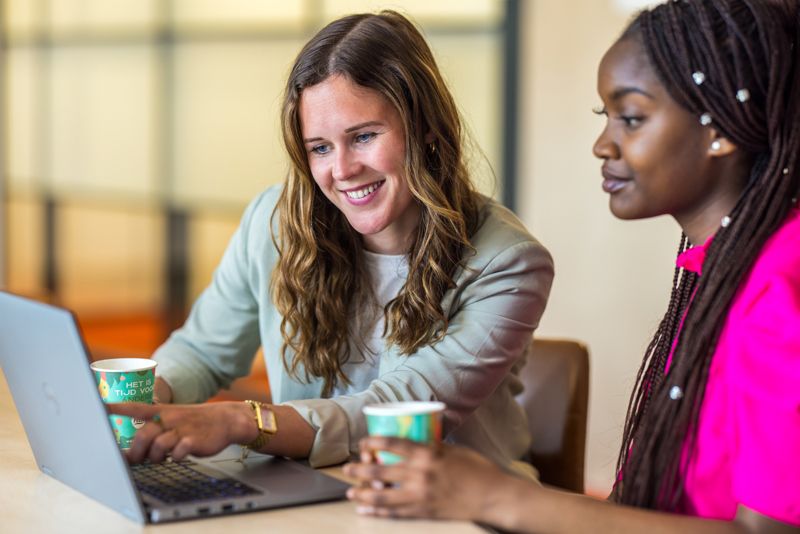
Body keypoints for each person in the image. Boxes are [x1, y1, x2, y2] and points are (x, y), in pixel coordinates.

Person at [344, 0, 800, 531]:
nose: (602, 144)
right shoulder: (722, 267)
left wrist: (495, 497)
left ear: (719, 127)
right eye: (603, 117)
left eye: (630, 118)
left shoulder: (779, 285)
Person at [110, 11, 553, 477]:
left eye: (363, 137)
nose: (341, 170)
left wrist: (244, 420)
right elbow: (200, 352)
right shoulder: (273, 223)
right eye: (320, 147)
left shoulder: (509, 264)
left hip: (453, 510)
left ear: (425, 130)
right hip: (310, 494)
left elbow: (393, 413)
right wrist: (143, 407)